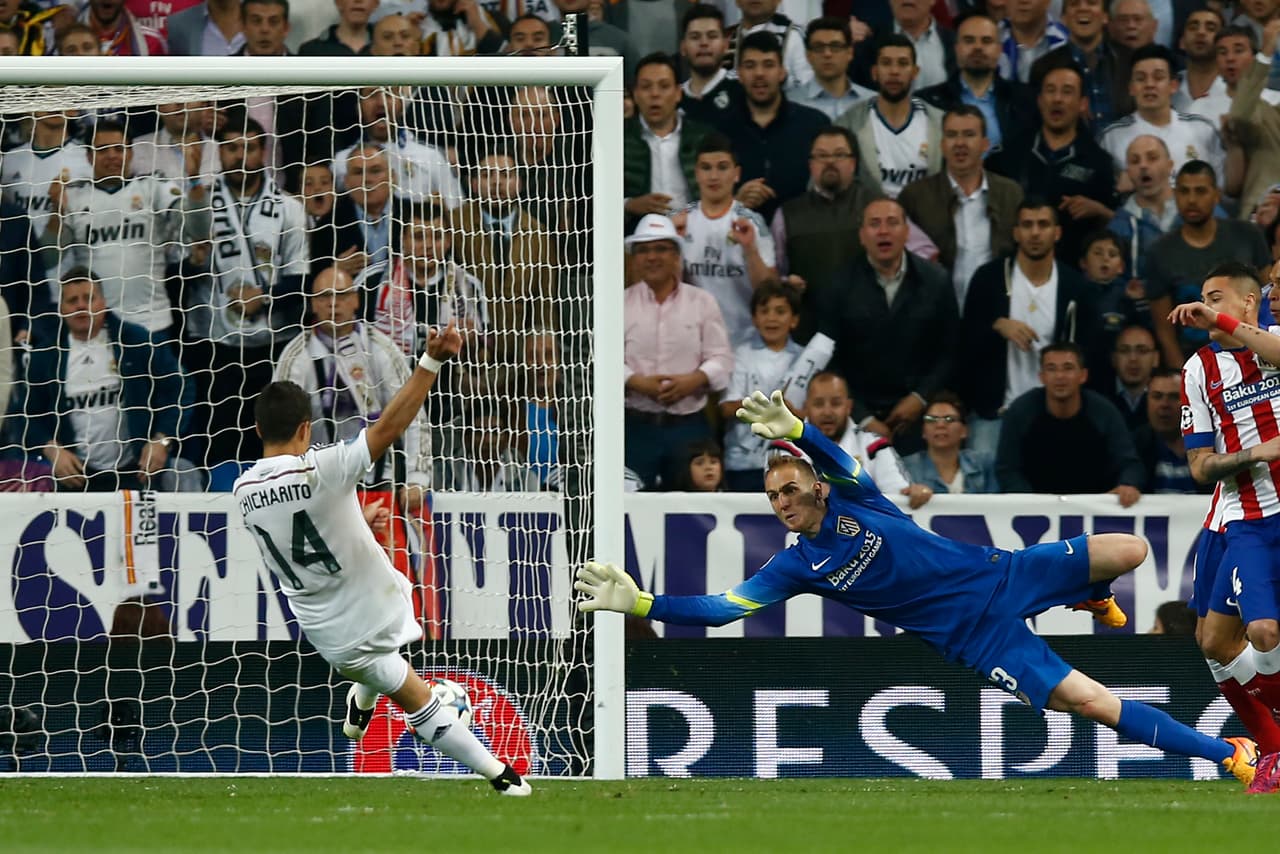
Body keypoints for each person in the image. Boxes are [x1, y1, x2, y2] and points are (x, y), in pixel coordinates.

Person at [574, 388, 1260, 791]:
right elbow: (724, 609)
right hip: (973, 638)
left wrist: (800, 432)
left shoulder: (856, 501)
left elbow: (843, 461)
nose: (781, 501)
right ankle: (1231, 754)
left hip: (999, 572)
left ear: (811, 486)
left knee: (1131, 549)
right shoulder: (795, 565)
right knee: (1095, 704)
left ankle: (1087, 596)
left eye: (789, 487)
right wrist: (642, 603)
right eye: (772, 495)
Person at [235, 327, 531, 796]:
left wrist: (355, 518)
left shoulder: (243, 489)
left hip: (318, 619)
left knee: (392, 593)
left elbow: (302, 527)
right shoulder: (323, 468)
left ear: (256, 430)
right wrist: (430, 362)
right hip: (358, 626)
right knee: (421, 701)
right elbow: (389, 429)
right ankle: (501, 776)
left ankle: (360, 705)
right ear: (306, 428)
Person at [1168, 260, 1280, 787]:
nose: (1205, 308)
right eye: (1202, 298)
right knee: (1214, 641)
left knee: (1251, 634)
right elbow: (1197, 467)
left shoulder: (1273, 342)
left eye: (1216, 298)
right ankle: (1273, 748)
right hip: (1236, 512)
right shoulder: (1197, 369)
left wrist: (1227, 322)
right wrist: (1257, 452)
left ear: (1249, 302)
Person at [273, 266, 432, 513]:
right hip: (317, 488)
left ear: (356, 299)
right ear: (313, 304)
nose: (333, 304)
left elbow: (413, 414)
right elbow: (279, 429)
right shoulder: (296, 357)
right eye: (324, 296)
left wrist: (417, 478)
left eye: (342, 295)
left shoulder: (381, 348)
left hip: (381, 484)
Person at [24, 270, 199, 493]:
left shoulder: (135, 341)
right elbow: (26, 415)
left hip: (135, 473)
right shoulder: (45, 356)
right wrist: (51, 450)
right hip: (75, 479)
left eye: (88, 298)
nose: (81, 306)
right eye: (72, 300)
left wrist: (162, 440)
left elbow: (182, 387)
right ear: (61, 308)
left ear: (104, 302)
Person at [959, 198, 1102, 458]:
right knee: (983, 492)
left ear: (1057, 233)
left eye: (1043, 224)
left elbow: (1090, 353)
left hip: (1055, 413)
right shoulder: (988, 279)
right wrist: (997, 325)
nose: (1035, 233)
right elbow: (962, 343)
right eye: (1027, 225)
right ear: (1015, 232)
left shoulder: (1076, 287)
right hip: (995, 413)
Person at [816, 198, 958, 454]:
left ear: (907, 232)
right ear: (861, 235)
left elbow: (949, 351)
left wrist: (919, 398)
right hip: (856, 415)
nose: (883, 231)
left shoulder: (936, 281)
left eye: (892, 223)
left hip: (918, 413)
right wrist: (863, 416)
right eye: (874, 224)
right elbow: (828, 356)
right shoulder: (838, 284)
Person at [623, 213, 733, 488]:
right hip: (633, 426)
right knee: (628, 507)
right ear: (634, 258)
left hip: (689, 427)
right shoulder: (618, 303)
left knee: (691, 513)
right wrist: (634, 381)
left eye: (661, 248)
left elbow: (721, 359)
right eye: (644, 250)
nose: (652, 257)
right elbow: (600, 359)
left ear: (676, 256)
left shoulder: (703, 302)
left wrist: (694, 380)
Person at [986, 62, 1118, 266]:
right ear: (1039, 100)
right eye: (1050, 91)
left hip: (1073, 273)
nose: (1057, 99)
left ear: (1083, 103)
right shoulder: (1009, 153)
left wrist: (1099, 211)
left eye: (1067, 92)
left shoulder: (1099, 162)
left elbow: (1116, 224)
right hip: (1013, 267)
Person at [897, 105, 1024, 309]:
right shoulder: (915, 196)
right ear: (942, 144)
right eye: (951, 135)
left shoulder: (1010, 194)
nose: (960, 143)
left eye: (969, 135)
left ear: (985, 144)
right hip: (934, 311)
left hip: (996, 311)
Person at [1144, 160, 1271, 364]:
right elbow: (1165, 331)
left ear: (1216, 194)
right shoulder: (1160, 252)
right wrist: (1182, 375)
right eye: (1184, 191)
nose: (1192, 200)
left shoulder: (1248, 235)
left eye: (1200, 191)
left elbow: (1270, 296)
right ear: (1175, 195)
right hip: (1198, 362)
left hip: (1254, 355)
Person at [996, 341, 1144, 504]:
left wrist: (1128, 484)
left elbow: (1129, 462)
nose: (1060, 376)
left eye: (1068, 368)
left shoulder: (1104, 412)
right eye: (1051, 369)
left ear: (1083, 375)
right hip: (1037, 509)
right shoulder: (1020, 411)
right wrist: (1030, 502)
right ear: (1042, 377)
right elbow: (1007, 469)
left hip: (1094, 509)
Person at [676, 134, 777, 346]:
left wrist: (750, 250)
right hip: (692, 340)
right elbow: (664, 290)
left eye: (722, 167)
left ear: (736, 174)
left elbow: (769, 290)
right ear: (696, 174)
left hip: (745, 340)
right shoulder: (679, 220)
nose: (714, 176)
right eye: (706, 168)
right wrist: (674, 249)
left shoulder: (752, 222)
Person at [835, 34, 944, 199]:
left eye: (903, 64)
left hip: (925, 219)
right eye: (886, 63)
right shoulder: (850, 123)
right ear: (874, 72)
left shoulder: (940, 122)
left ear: (915, 72)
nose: (894, 71)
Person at [719, 282, 805, 491]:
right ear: (754, 319)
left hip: (792, 460)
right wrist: (771, 408)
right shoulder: (741, 354)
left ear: (794, 320)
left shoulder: (806, 359)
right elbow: (727, 407)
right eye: (764, 311)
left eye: (780, 311)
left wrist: (794, 413)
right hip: (744, 463)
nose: (771, 318)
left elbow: (810, 414)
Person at [917, 12, 1036, 155]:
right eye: (969, 40)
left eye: (986, 41)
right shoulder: (928, 101)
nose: (978, 47)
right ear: (957, 49)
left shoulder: (1025, 100)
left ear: (999, 50)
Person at [1029, 0, 1135, 127]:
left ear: (1105, 17)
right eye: (1074, 4)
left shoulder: (1131, 62)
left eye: (1091, 3)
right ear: (1063, 18)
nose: (1083, 8)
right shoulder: (1043, 68)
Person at [901, 390, 999, 494]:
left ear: (964, 431)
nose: (940, 425)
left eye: (949, 419)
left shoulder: (985, 464)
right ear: (923, 431)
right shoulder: (906, 467)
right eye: (931, 419)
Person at [1132, 366, 1205, 493]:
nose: (1164, 405)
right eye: (1157, 396)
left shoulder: (1213, 444)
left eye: (1174, 397)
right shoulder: (1133, 445)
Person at [791, 17, 875, 121]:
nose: (827, 54)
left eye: (835, 46)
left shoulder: (873, 103)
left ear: (850, 53)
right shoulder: (790, 103)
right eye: (819, 47)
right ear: (808, 55)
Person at [1105, 324, 1159, 431]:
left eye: (1142, 351)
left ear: (1156, 358)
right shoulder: (1099, 398)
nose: (1133, 359)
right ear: (1114, 358)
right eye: (1124, 351)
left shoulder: (1166, 400)